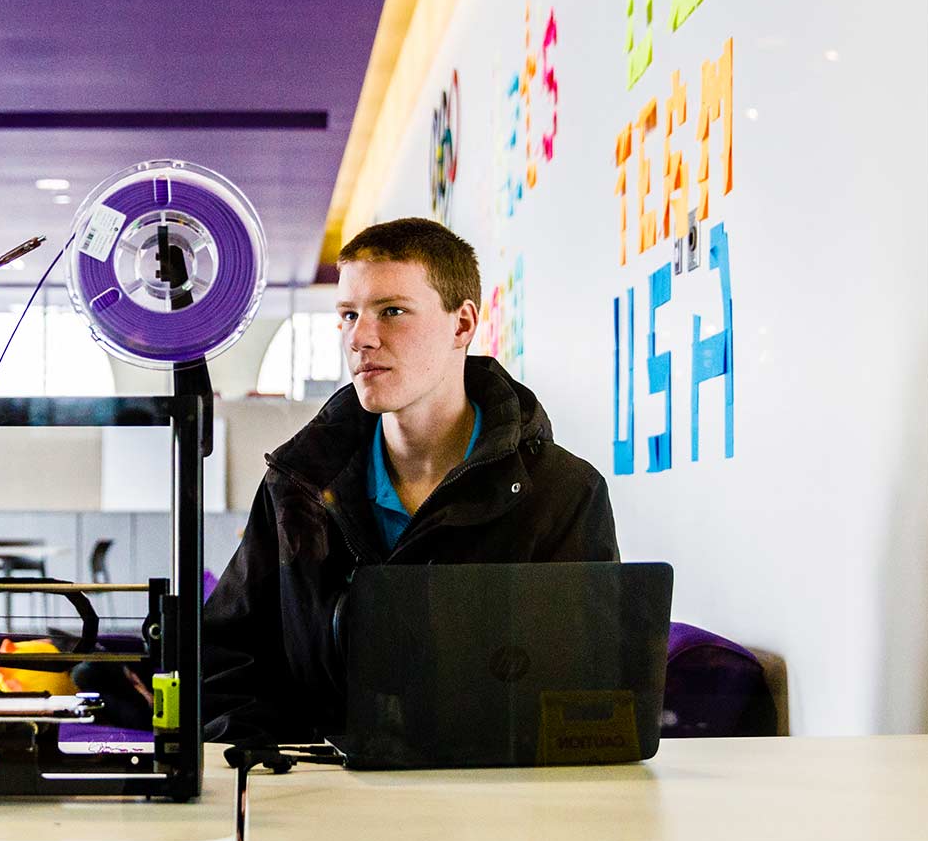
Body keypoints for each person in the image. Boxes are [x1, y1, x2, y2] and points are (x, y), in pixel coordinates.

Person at [202, 218, 618, 744]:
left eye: (391, 311)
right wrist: (282, 764)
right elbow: (223, 663)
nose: (360, 338)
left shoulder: (563, 493)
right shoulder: (297, 486)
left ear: (462, 325)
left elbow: (586, 694)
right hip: (320, 786)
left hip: (493, 790)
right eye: (349, 315)